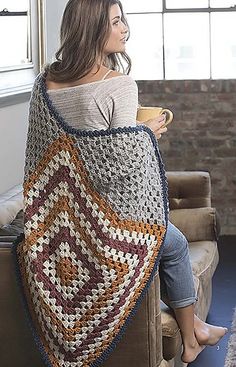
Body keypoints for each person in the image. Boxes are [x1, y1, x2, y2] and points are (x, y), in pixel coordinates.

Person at [43, 0, 227, 363]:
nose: (125, 28)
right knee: (170, 242)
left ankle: (195, 332)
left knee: (169, 240)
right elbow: (122, 167)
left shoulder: (45, 81)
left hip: (65, 213)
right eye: (115, 21)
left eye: (123, 19)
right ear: (92, 27)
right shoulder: (118, 84)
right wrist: (143, 135)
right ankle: (194, 336)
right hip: (108, 213)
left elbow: (57, 153)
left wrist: (132, 135)